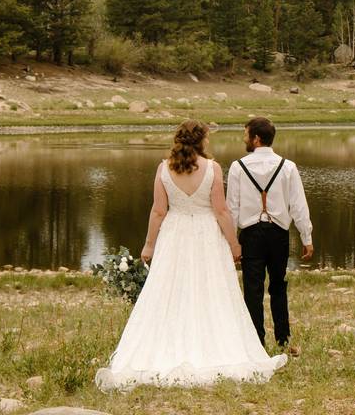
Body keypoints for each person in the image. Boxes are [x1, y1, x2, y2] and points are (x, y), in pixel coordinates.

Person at [95, 120, 287, 391]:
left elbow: (158, 211)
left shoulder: (164, 168)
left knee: (170, 290)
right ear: (201, 141)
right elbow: (221, 211)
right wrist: (234, 244)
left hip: (174, 234)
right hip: (207, 235)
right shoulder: (212, 168)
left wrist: (149, 245)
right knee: (212, 289)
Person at [227, 117, 313, 352]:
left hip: (251, 234)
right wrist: (306, 237)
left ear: (256, 138)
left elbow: (231, 208)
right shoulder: (287, 166)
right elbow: (298, 206)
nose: (243, 138)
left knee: (252, 289)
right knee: (278, 285)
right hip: (278, 234)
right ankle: (283, 338)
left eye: (246, 134)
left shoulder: (238, 167)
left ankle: (256, 340)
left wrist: (231, 242)